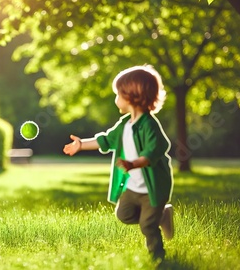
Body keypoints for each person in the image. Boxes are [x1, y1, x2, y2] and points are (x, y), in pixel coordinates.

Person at [63, 65, 174, 260]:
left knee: (147, 225)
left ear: (132, 96)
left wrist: (134, 164)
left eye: (118, 94)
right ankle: (162, 215)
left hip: (152, 188)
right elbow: (105, 139)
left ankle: (158, 256)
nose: (116, 99)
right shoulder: (125, 124)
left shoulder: (149, 125)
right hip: (132, 186)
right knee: (124, 215)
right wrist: (81, 145)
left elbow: (154, 150)